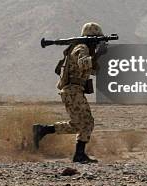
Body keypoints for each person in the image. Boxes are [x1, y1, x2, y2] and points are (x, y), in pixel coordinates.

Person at [33, 22, 105, 163]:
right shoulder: (81, 47)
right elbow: (83, 64)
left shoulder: (86, 49)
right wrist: (98, 54)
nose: (97, 44)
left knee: (78, 124)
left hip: (74, 91)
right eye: (97, 40)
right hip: (72, 90)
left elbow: (95, 71)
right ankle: (79, 155)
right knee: (86, 123)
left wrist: (98, 56)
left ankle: (42, 130)